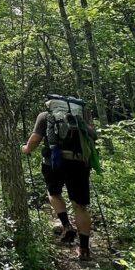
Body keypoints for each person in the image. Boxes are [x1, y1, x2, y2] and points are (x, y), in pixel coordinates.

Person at [22, 103, 97, 261]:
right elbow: (92, 136)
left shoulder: (45, 116)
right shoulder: (80, 118)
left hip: (52, 163)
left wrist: (26, 149)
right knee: (80, 206)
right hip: (78, 163)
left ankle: (66, 225)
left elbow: (35, 139)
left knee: (54, 193)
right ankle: (84, 248)